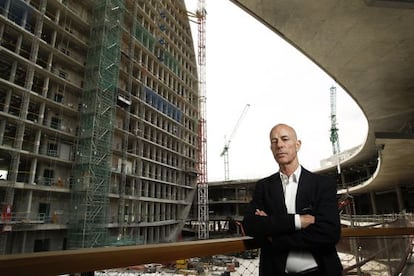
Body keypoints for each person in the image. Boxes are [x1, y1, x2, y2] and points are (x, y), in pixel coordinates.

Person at [242, 123, 343, 276]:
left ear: (297, 145)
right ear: (271, 149)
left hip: (320, 271)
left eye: (284, 139)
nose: (279, 145)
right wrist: (298, 222)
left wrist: (273, 235)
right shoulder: (263, 187)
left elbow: (329, 233)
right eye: (274, 141)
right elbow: (250, 224)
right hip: (276, 271)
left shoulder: (322, 184)